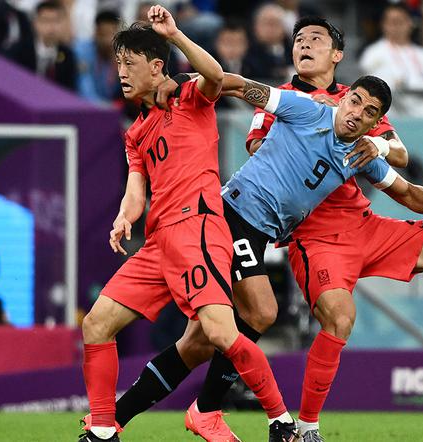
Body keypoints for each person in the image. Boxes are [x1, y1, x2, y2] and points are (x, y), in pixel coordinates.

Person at [115, 24, 423, 442]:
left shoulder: (363, 125)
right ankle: (272, 422)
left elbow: (399, 162)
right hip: (266, 224)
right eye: (298, 39)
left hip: (359, 225)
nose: (304, 44)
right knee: (265, 318)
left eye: (315, 39)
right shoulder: (295, 104)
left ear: (338, 54)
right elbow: (253, 125)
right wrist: (203, 81)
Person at [77, 6, 295, 442]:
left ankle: (281, 422)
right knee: (95, 324)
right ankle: (103, 429)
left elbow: (215, 74)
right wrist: (124, 216)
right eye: (118, 63)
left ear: (157, 66)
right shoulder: (135, 131)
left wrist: (175, 35)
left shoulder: (192, 97)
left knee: (219, 331)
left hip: (198, 228)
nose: (121, 72)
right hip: (158, 241)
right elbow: (137, 188)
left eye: (130, 63)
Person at [359, 4, 423, 92]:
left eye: (400, 22)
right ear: (383, 25)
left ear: (410, 23)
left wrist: (407, 84)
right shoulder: (373, 53)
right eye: (392, 22)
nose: (396, 27)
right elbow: (372, 88)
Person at [6, 0, 78, 91]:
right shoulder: (18, 51)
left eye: (57, 21)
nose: (52, 26)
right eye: (46, 20)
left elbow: (69, 90)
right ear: (35, 23)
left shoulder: (67, 55)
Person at [75, 10, 123, 105]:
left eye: (112, 35)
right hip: (87, 107)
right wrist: (105, 108)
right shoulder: (82, 51)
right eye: (103, 35)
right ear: (95, 32)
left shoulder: (124, 55)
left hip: (115, 109)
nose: (107, 41)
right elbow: (85, 89)